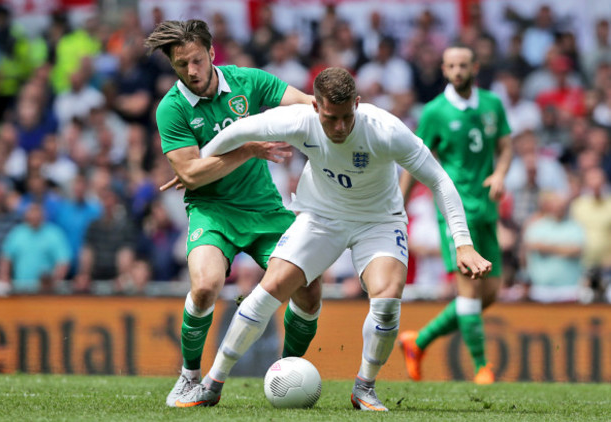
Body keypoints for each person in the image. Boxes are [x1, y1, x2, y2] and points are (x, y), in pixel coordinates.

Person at [172, 67, 491, 411]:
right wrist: (197, 170)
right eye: (330, 119)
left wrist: (464, 243)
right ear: (315, 108)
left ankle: (364, 388)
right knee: (270, 288)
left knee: (386, 303)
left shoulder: (385, 130)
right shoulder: (297, 120)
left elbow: (440, 181)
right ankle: (212, 383)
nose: (339, 127)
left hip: (378, 221)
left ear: (357, 103)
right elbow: (237, 131)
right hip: (320, 217)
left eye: (345, 117)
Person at [143, 19, 321, 406]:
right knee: (205, 285)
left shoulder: (248, 82)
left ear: (211, 53)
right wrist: (246, 149)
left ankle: (287, 370)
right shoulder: (171, 109)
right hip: (212, 210)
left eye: (196, 61)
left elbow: (306, 101)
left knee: (309, 289)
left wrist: (338, 111)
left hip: (264, 208)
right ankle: (189, 376)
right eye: (181, 66)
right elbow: (190, 174)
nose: (191, 72)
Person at [398, 46, 513, 384]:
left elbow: (505, 145)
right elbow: (414, 160)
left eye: (463, 65)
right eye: (451, 66)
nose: (458, 71)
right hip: (455, 213)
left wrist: (501, 173)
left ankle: (417, 342)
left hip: (487, 208)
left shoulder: (492, 104)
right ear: (444, 70)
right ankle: (482, 366)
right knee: (470, 291)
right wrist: (399, 207)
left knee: (490, 292)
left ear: (475, 67)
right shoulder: (434, 112)